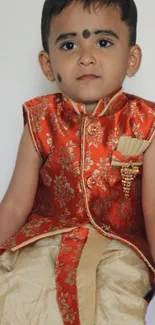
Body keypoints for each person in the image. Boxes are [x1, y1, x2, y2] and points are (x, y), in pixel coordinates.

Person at [0, 0, 155, 324]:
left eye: (103, 42)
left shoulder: (147, 122)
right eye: (69, 44)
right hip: (42, 243)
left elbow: (154, 208)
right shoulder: (41, 118)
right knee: (21, 297)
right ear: (47, 64)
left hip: (118, 247)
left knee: (114, 304)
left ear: (132, 58)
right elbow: (15, 205)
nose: (86, 56)